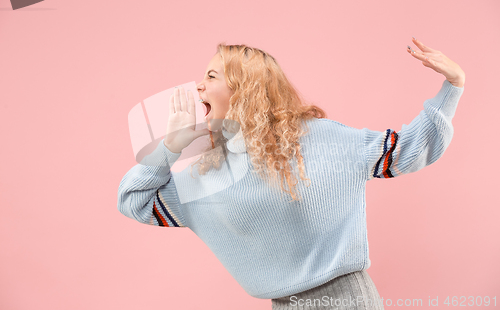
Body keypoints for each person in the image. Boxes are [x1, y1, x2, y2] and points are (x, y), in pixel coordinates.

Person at [117, 38, 465, 310]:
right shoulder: (207, 171)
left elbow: (407, 149)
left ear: (244, 87)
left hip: (346, 300)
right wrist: (171, 147)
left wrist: (453, 85)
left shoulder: (317, 138)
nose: (198, 86)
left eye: (211, 76)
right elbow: (135, 200)